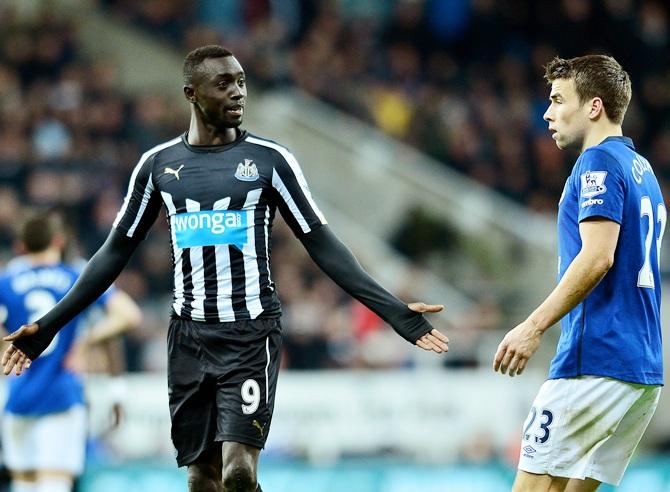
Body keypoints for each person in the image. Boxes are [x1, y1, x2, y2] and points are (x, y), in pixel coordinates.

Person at [2, 45, 449, 492]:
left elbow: (324, 245)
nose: (238, 92)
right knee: (202, 478)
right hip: (189, 338)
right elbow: (112, 255)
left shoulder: (271, 162)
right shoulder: (157, 166)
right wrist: (47, 327)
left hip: (250, 335)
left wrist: (393, 311)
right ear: (191, 93)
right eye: (224, 84)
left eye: (241, 82)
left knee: (238, 473)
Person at [493, 54, 665, 491]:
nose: (547, 113)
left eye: (557, 99)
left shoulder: (599, 163)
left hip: (595, 360)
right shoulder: (643, 171)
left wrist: (532, 327)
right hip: (641, 370)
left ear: (593, 106)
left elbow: (597, 257)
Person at [0, 212, 142, 492]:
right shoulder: (76, 276)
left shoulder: (6, 281)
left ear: (21, 246)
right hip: (62, 396)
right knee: (55, 483)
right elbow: (129, 315)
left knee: (23, 485)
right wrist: (86, 340)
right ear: (58, 240)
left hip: (17, 397)